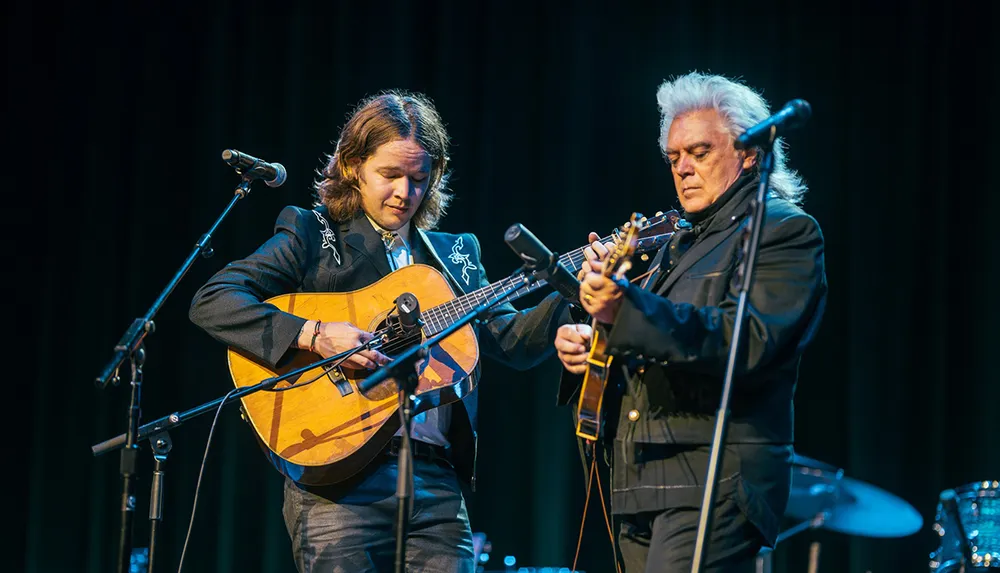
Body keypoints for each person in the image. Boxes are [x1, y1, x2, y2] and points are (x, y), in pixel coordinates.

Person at [189, 90, 571, 572]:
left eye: (418, 179)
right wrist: (315, 333)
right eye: (390, 175)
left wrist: (572, 289)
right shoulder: (313, 235)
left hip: (435, 482)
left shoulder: (454, 255)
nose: (404, 194)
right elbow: (214, 300)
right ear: (352, 166)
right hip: (337, 485)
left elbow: (512, 342)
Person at [553, 72, 828, 572]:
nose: (683, 169)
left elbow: (747, 341)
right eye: (674, 157)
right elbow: (651, 336)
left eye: (699, 152)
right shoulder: (674, 246)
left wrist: (626, 312)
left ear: (749, 153)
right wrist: (593, 341)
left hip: (715, 480)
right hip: (638, 483)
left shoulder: (784, 230)